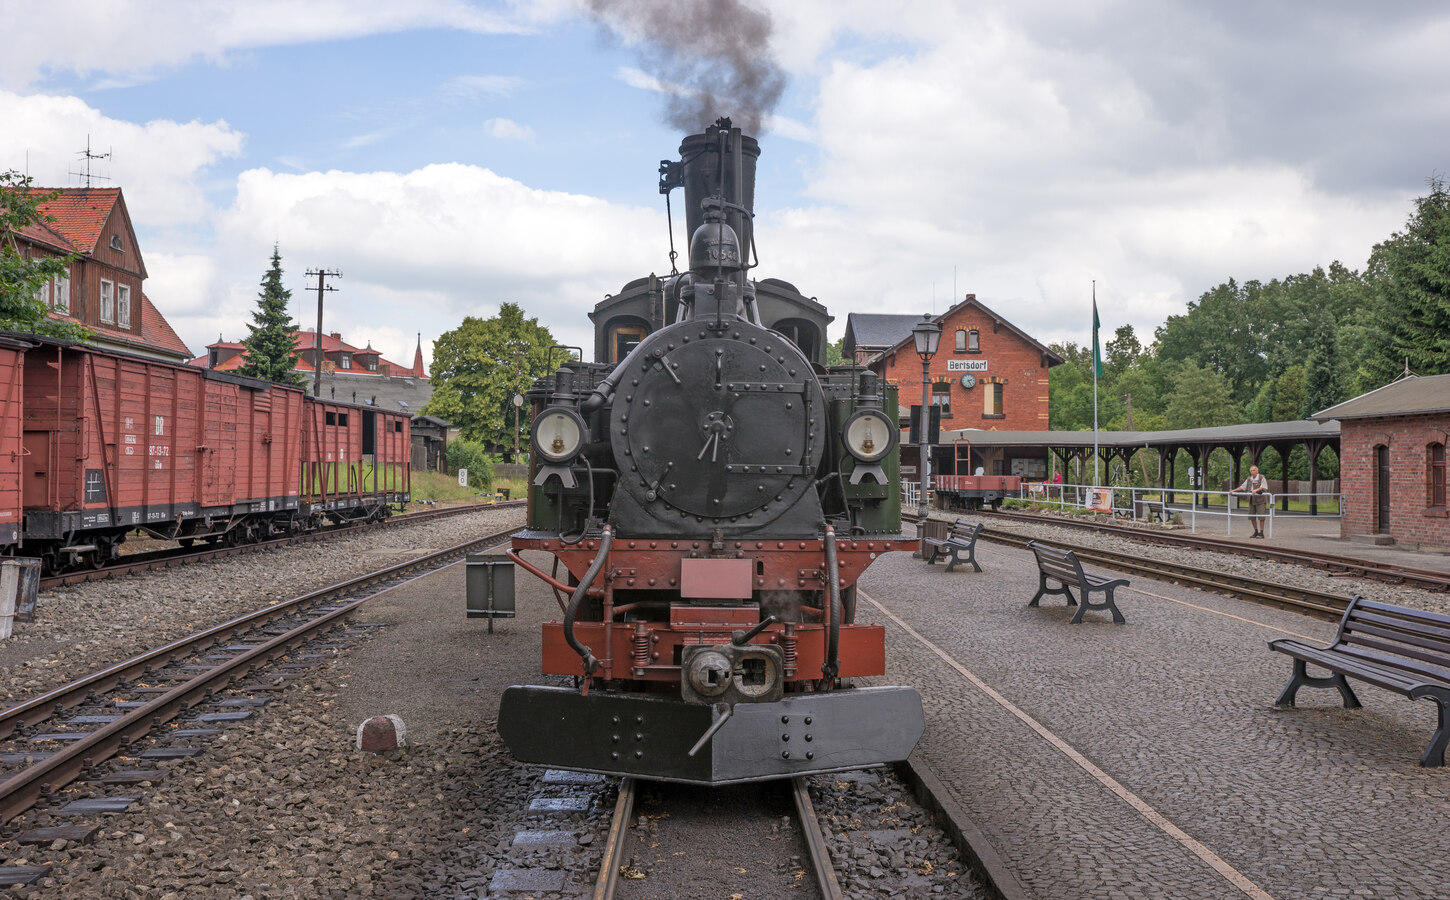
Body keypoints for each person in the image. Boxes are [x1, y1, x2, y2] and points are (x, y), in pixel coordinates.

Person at [1229, 464, 1271, 538]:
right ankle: (1255, 531)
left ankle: (1261, 533)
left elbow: (1264, 487)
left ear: (1257, 471)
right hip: (1252, 500)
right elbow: (1243, 487)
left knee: (1261, 516)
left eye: (1254, 470)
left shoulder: (1261, 478)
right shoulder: (1249, 479)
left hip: (1260, 500)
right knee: (1251, 516)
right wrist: (1233, 490)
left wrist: (1256, 490)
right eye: (1251, 470)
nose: (1252, 472)